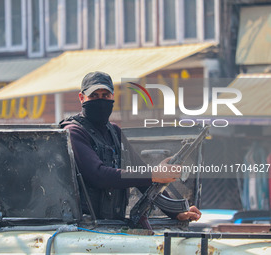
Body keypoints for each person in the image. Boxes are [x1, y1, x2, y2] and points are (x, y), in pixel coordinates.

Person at [60, 71, 201, 222]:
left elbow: (144, 180)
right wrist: (153, 174)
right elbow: (98, 175)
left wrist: (176, 212)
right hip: (83, 228)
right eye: (94, 96)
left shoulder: (114, 132)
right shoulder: (73, 131)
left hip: (114, 225)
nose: (100, 101)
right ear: (82, 98)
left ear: (113, 97)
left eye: (105, 95)